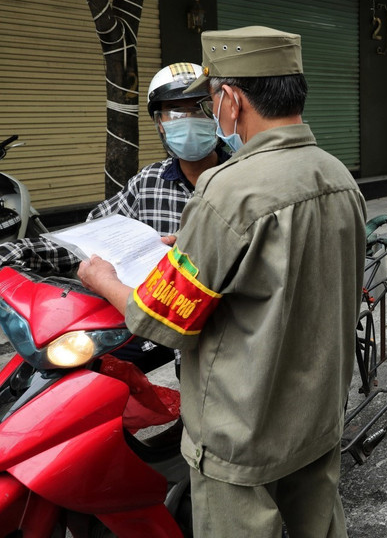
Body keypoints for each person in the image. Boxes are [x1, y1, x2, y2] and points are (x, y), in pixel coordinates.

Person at [77, 26, 366, 537]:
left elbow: (164, 319)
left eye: (210, 100)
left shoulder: (226, 191)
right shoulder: (338, 177)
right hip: (318, 416)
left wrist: (103, 278)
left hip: (242, 428)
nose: (210, 113)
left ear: (231, 100)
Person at [0, 62, 226, 369]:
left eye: (200, 109)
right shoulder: (148, 182)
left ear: (220, 113)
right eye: (175, 112)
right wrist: (12, 253)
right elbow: (88, 238)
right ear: (160, 124)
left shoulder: (242, 179)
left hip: (223, 337)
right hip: (155, 321)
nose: (188, 120)